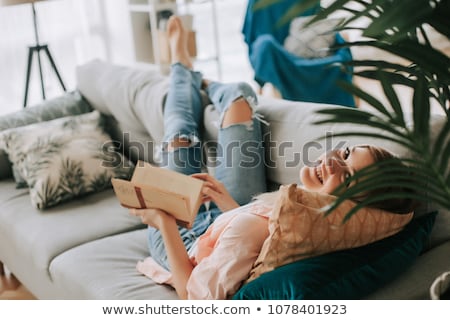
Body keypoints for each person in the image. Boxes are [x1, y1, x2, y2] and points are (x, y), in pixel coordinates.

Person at [129, 16, 415, 300]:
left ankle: (180, 66)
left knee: (179, 135)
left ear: (348, 212)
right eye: (347, 153)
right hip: (231, 216)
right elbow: (256, 233)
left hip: (187, 247)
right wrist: (227, 203)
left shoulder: (314, 225)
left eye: (349, 177)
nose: (332, 161)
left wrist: (163, 221)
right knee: (240, 96)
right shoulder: (299, 210)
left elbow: (197, 299)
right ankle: (198, 79)